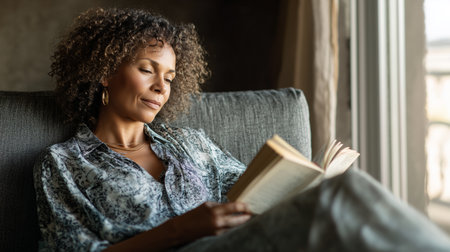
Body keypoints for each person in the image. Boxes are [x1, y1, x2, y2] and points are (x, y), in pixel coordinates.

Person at [34, 7, 450, 252]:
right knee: (345, 197)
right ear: (105, 72)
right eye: (147, 70)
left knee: (340, 190)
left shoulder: (188, 144)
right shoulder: (64, 165)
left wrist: (305, 183)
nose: (162, 87)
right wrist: (180, 229)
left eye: (171, 76)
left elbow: (253, 191)